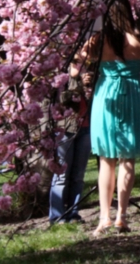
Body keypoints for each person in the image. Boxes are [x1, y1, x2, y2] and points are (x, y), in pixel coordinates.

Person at [72, 0, 140, 236]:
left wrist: (87, 72)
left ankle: (104, 218)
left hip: (107, 97)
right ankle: (122, 216)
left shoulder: (99, 39)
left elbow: (73, 68)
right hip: (132, 95)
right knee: (127, 158)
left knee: (106, 159)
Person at [49, 72, 92, 224]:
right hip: (65, 128)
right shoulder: (62, 70)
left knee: (78, 176)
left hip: (86, 127)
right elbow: (63, 99)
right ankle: (57, 216)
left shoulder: (92, 65)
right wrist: (79, 82)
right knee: (62, 175)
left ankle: (73, 213)